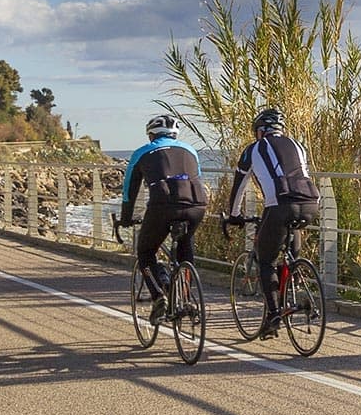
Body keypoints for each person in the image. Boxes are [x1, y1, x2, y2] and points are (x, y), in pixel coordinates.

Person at [224, 107, 321, 339]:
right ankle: (294, 279)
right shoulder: (298, 145)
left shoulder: (253, 150)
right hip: (310, 202)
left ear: (259, 131)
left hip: (279, 204)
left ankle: (275, 314)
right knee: (290, 251)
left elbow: (239, 185)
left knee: (266, 259)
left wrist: (233, 214)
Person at [117, 113, 209, 322]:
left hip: (163, 205)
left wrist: (125, 218)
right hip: (197, 204)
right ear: (175, 134)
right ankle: (184, 299)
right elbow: (198, 177)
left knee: (146, 251)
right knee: (186, 246)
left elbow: (129, 191)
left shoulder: (142, 152)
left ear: (151, 135)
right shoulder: (190, 150)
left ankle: (159, 295)